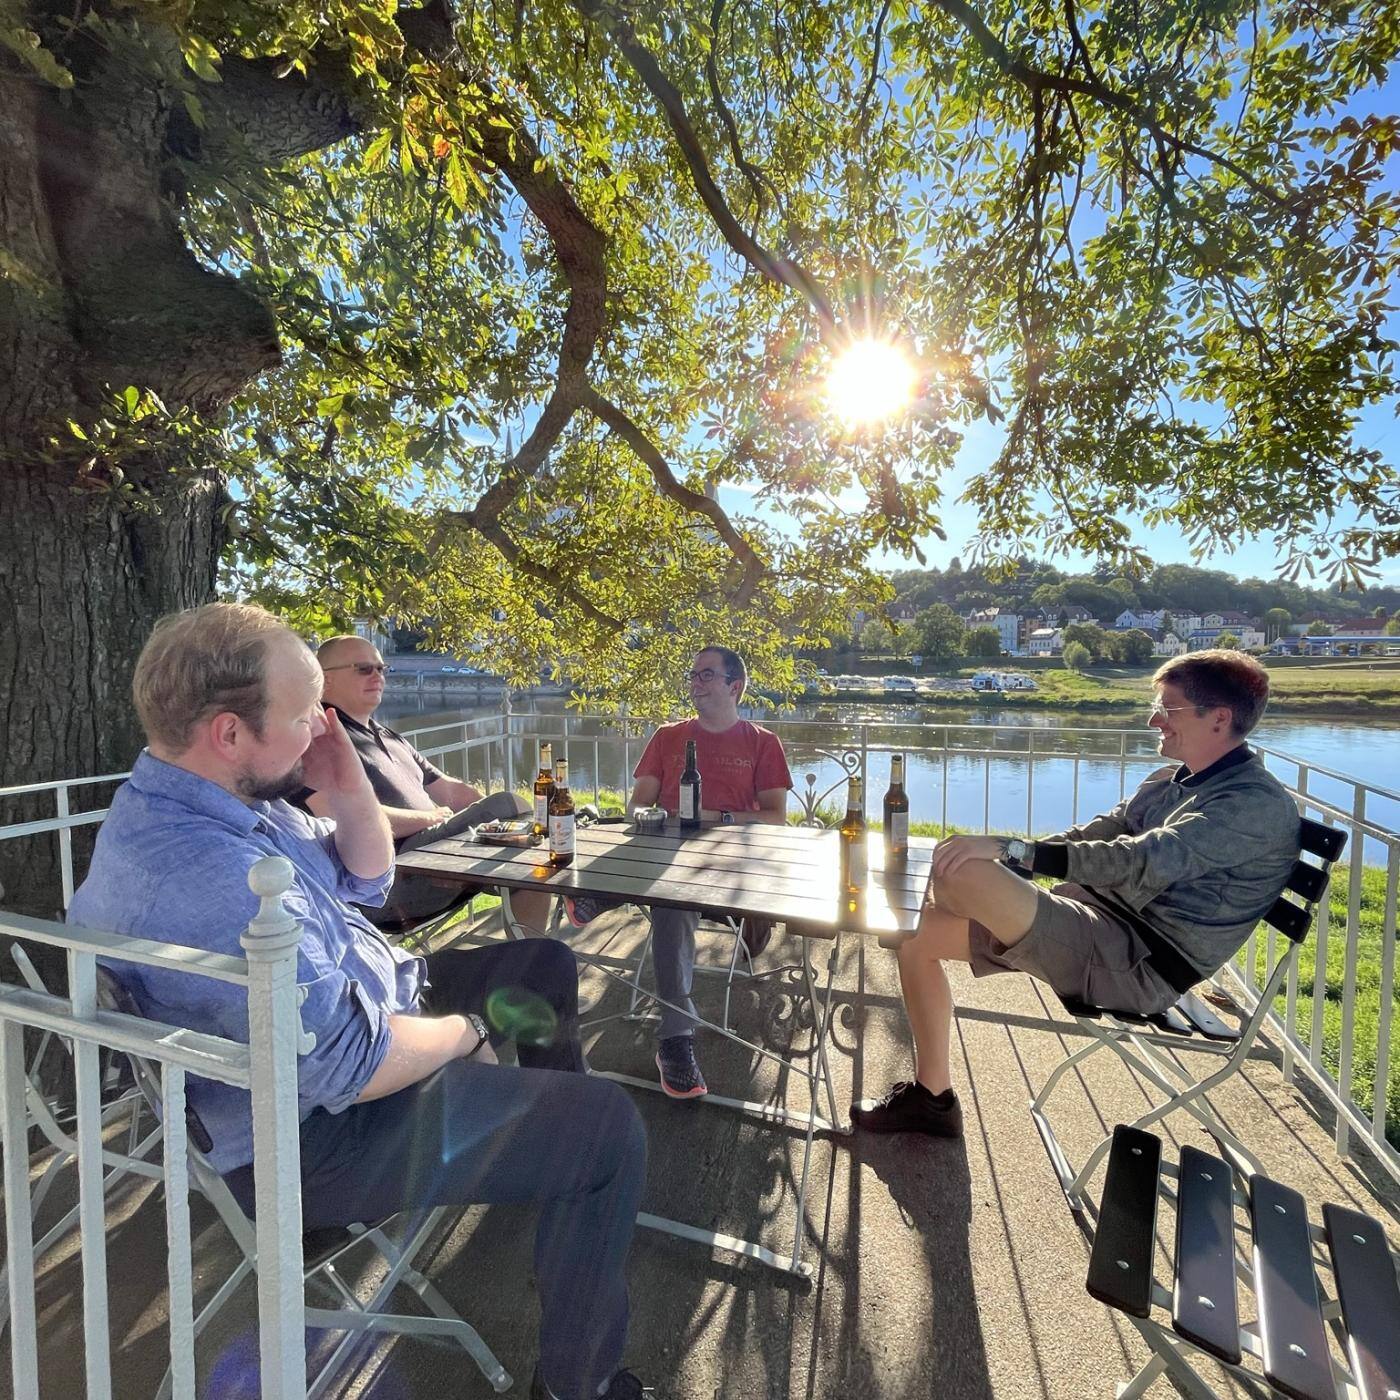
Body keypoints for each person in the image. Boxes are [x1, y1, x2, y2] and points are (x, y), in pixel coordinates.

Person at [68, 604, 649, 1400]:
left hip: (344, 1025)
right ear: (230, 733)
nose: (322, 726)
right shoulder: (206, 876)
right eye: (306, 713)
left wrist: (343, 779)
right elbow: (356, 1064)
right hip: (310, 1136)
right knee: (609, 1129)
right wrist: (464, 1033)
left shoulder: (221, 798)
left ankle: (553, 1166)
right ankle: (579, 1379)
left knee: (541, 964)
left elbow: (366, 878)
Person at [853, 649, 1299, 1140]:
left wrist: (1008, 854)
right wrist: (1013, 860)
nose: (1154, 719)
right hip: (1091, 923)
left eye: (1167, 709)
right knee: (915, 933)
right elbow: (1094, 834)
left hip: (1136, 963)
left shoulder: (1252, 805)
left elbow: (1140, 860)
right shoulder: (1170, 780)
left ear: (1219, 719)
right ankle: (933, 1101)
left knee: (959, 874)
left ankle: (973, 902)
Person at [567, 646, 793, 1100]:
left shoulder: (762, 741)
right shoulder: (668, 736)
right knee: (670, 893)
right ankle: (676, 1038)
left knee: (673, 894)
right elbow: (637, 807)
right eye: (693, 674)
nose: (695, 681)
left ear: (735, 686)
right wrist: (657, 817)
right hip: (663, 855)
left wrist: (718, 817)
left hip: (728, 869)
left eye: (706, 674)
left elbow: (775, 818)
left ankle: (606, 895)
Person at [304, 634, 551, 934]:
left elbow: (449, 790)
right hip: (386, 881)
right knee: (512, 805)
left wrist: (500, 826)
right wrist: (432, 818)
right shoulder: (321, 740)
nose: (377, 676)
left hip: (436, 857)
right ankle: (567, 906)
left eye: (382, 669)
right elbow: (335, 815)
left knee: (531, 846)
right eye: (363, 669)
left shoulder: (389, 737)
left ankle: (528, 959)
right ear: (325, 680)